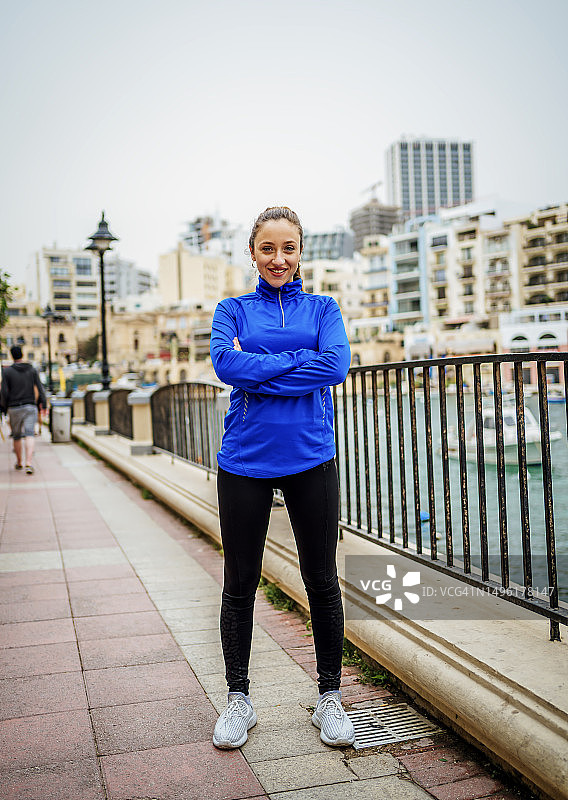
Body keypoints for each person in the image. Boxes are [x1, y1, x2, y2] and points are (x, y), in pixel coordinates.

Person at [209, 206, 355, 750]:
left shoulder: (323, 308)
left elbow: (336, 365)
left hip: (310, 456)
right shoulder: (232, 309)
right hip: (243, 460)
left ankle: (330, 698)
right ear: (253, 253)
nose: (278, 258)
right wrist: (298, 361)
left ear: (300, 252)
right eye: (267, 249)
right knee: (239, 584)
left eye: (287, 248)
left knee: (321, 580)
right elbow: (225, 365)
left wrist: (263, 366)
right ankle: (238, 700)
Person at [0, 345, 46, 474]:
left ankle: (19, 462)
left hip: (14, 407)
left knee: (17, 436)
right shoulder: (31, 369)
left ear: (11, 355)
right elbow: (40, 387)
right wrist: (43, 403)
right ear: (22, 354)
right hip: (30, 406)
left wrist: (3, 407)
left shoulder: (7, 372)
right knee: (30, 434)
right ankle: (29, 463)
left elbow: (3, 391)